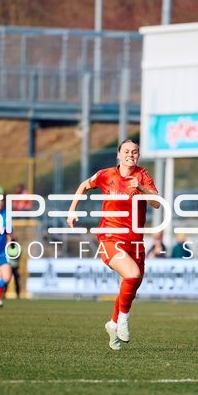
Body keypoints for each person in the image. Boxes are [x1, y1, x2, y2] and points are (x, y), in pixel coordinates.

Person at [67, 138, 160, 350]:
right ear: (118, 154)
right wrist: (72, 211)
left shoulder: (143, 176)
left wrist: (142, 190)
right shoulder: (105, 175)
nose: (130, 154)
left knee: (130, 288)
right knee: (132, 274)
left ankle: (113, 324)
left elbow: (156, 203)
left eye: (135, 152)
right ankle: (124, 321)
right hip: (110, 237)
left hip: (135, 241)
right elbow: (84, 186)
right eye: (126, 151)